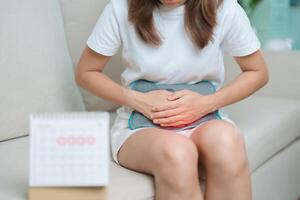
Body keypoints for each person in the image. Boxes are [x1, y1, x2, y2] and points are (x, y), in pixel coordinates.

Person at [75, 0, 269, 199]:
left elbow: (257, 72)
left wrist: (205, 103)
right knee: (177, 152)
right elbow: (86, 72)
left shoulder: (225, 8)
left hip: (203, 115)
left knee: (228, 142)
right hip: (141, 126)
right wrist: (139, 101)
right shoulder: (120, 7)